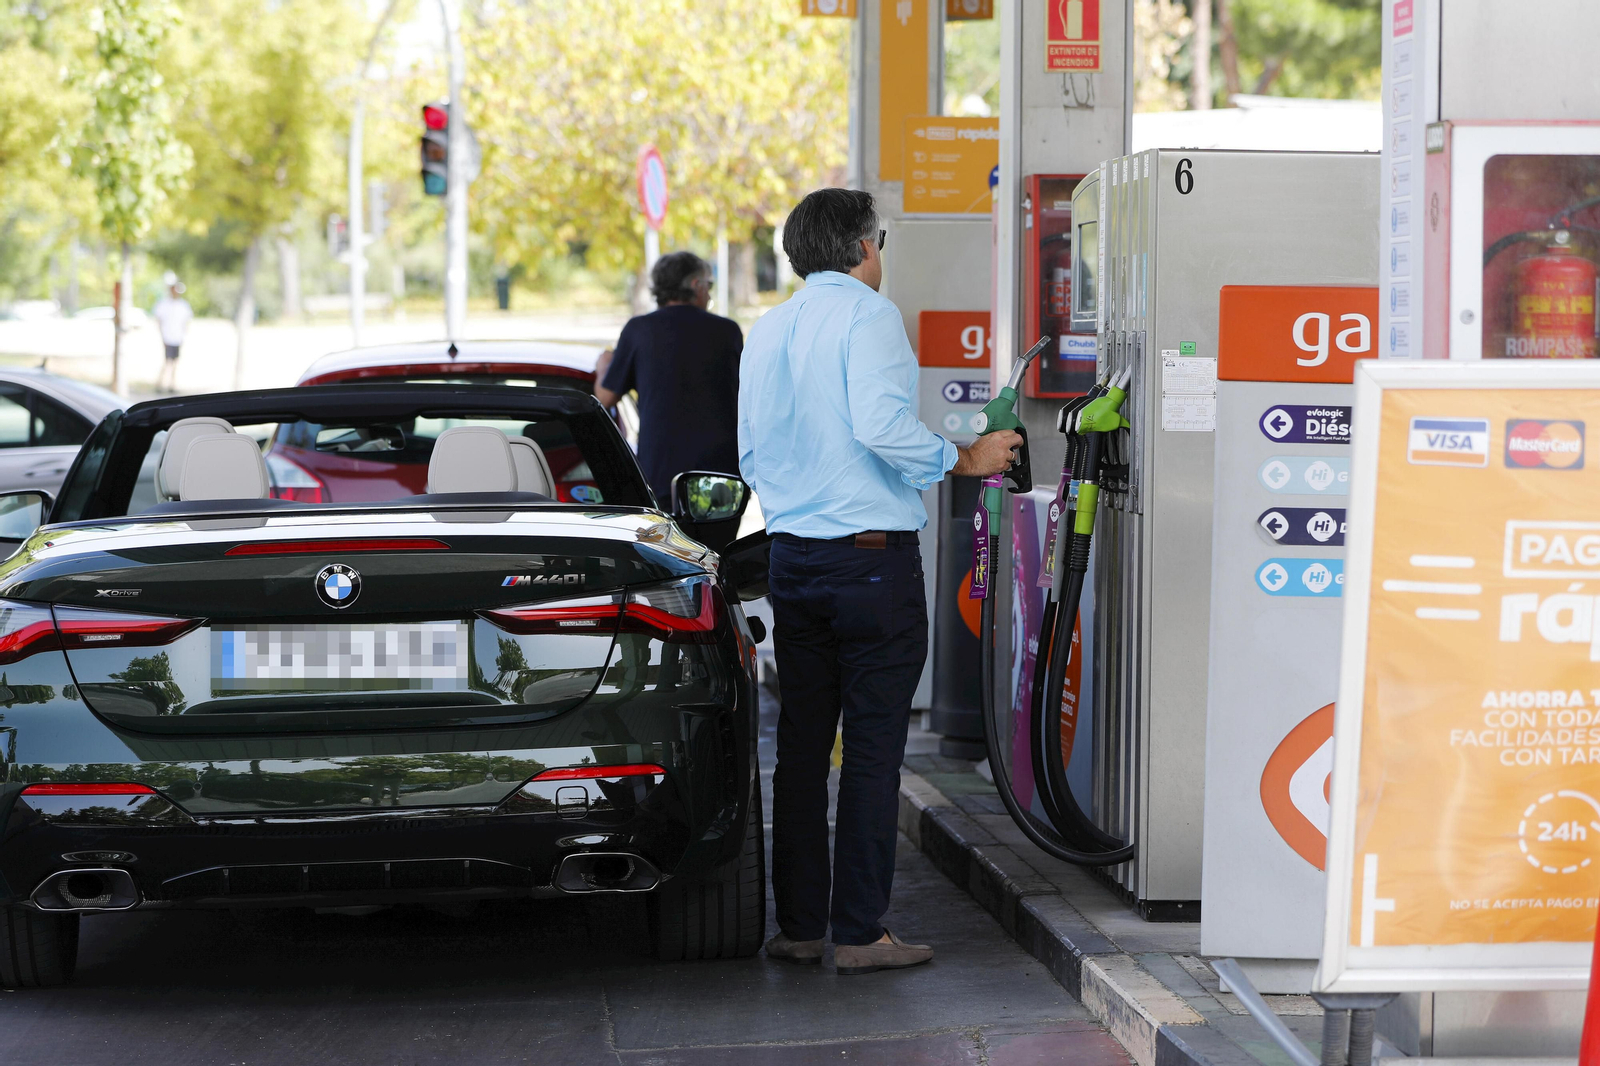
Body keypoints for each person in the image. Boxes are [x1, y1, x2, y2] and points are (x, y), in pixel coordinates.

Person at [738, 188, 1022, 975]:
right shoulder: (869, 316)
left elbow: (751, 457)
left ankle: (798, 930)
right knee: (869, 750)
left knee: (799, 749)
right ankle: (860, 933)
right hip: (870, 563)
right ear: (864, 247)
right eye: (881, 241)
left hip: (792, 561)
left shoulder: (768, 329)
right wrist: (965, 458)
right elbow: (881, 425)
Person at [594, 251, 743, 543]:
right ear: (696, 285)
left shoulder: (639, 330)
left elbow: (605, 398)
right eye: (709, 286)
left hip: (661, 471)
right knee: (718, 555)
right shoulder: (728, 332)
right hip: (721, 472)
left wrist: (603, 368)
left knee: (667, 559)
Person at [151, 276, 193, 394]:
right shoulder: (164, 304)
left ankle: (172, 384)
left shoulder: (183, 305)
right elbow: (159, 320)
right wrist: (162, 336)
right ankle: (160, 384)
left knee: (174, 362)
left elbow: (186, 321)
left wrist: (184, 335)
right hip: (168, 337)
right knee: (167, 362)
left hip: (177, 337)